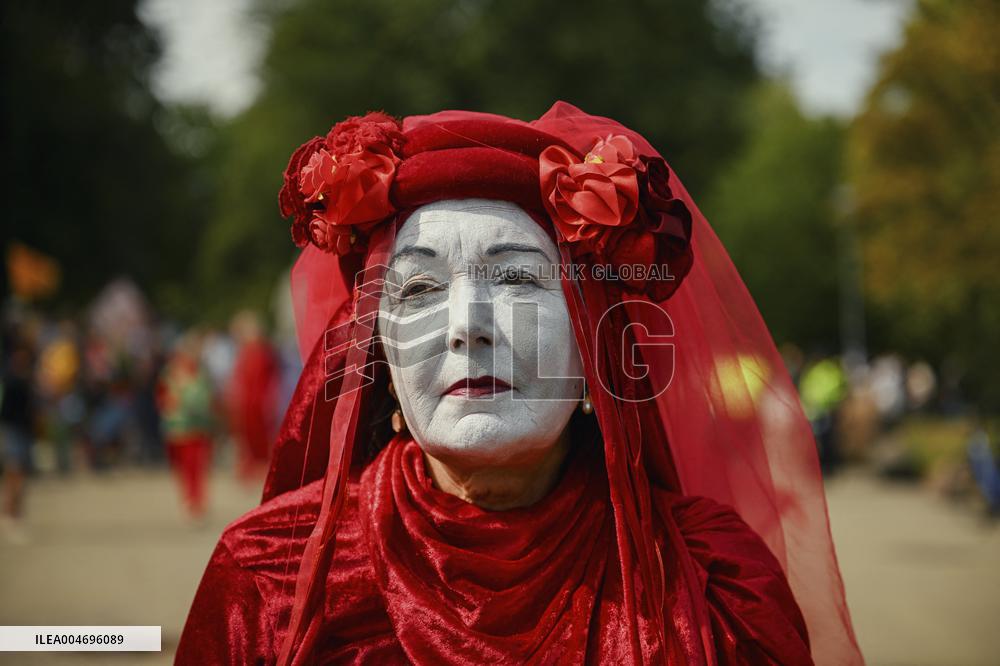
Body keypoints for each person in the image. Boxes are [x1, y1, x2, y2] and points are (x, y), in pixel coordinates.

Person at [178, 103, 863, 664]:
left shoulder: (718, 583)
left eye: (516, 279)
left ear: (593, 337)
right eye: (419, 287)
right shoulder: (271, 581)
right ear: (376, 350)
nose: (465, 326)